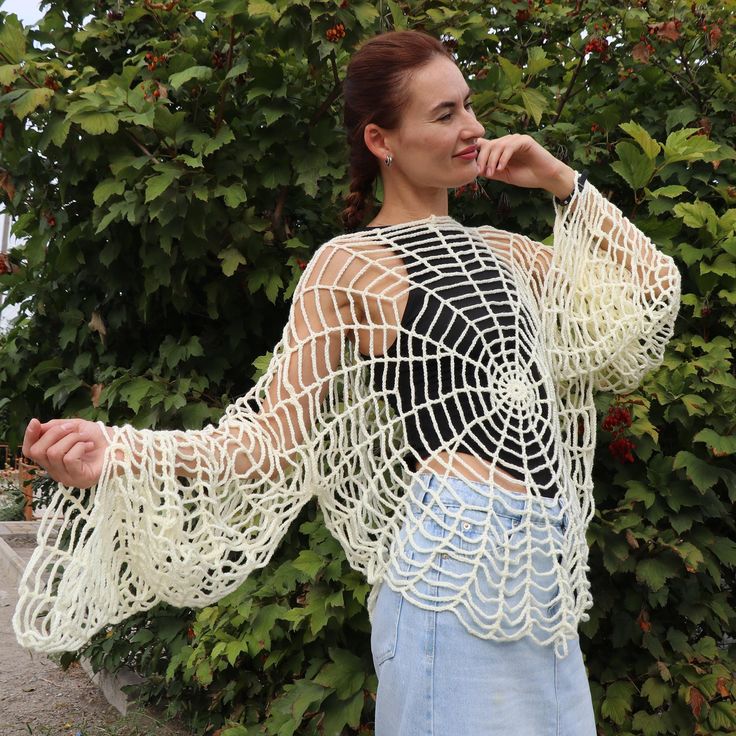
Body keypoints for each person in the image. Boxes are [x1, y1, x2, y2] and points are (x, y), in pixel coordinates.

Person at [16, 30, 680, 736]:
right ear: (381, 139)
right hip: (452, 567)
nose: (474, 129)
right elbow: (270, 440)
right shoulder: (349, 266)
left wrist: (561, 182)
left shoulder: (508, 253)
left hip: (543, 574)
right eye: (445, 113)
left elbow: (651, 296)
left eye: (470, 107)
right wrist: (119, 450)